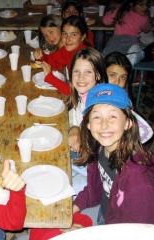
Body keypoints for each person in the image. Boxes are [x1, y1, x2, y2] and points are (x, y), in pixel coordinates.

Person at [73, 83, 154, 224]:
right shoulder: (101, 149)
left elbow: (140, 232)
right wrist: (75, 206)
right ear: (88, 125)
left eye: (113, 116)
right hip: (105, 213)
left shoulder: (139, 184)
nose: (104, 124)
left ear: (128, 123)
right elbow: (94, 187)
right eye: (96, 117)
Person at [67, 47, 107, 195]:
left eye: (88, 72)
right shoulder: (81, 96)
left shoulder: (101, 105)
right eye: (76, 71)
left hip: (96, 170)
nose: (80, 77)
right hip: (82, 160)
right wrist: (74, 129)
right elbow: (74, 117)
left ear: (98, 75)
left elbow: (99, 149)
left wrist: (78, 134)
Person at [105, 51, 154, 143]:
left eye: (123, 77)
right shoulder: (92, 94)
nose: (117, 82)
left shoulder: (125, 103)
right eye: (112, 75)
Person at [37, 15, 89, 95]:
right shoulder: (67, 50)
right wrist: (41, 56)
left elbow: (74, 92)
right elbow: (53, 61)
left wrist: (49, 77)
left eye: (73, 34)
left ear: (82, 37)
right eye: (65, 34)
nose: (68, 39)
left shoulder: (84, 59)